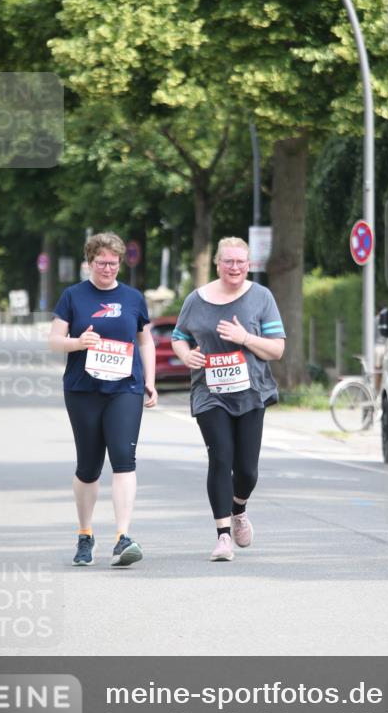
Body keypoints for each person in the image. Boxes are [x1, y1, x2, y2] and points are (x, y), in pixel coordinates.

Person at [171, 236, 285, 562]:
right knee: (221, 458)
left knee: (247, 471)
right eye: (228, 261)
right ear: (217, 264)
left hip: (251, 392)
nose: (234, 267)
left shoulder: (261, 297)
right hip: (210, 392)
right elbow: (179, 336)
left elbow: (277, 349)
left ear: (248, 265)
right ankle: (223, 537)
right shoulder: (197, 299)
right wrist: (186, 355)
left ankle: (239, 509)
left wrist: (245, 337)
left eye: (240, 262)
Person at [48, 232, 157, 567]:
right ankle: (85, 534)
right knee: (89, 466)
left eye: (113, 263)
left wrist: (150, 381)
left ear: (120, 263)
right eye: (101, 263)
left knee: (124, 459)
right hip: (83, 389)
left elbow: (145, 341)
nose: (107, 269)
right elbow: (54, 340)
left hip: (125, 388)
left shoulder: (133, 298)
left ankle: (123, 537)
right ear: (89, 262)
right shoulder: (73, 296)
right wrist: (78, 343)